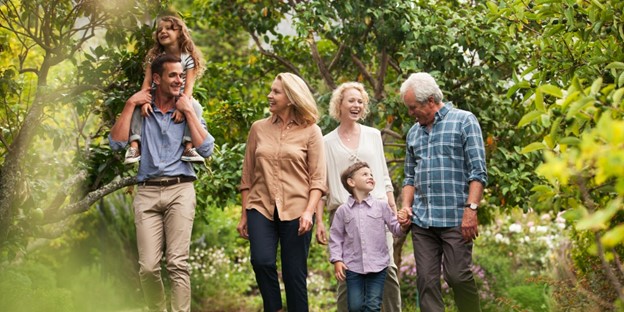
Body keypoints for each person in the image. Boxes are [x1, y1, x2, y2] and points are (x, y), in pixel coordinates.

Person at [109, 54, 215, 312]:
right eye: (173, 75)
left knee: (178, 263)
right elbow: (116, 143)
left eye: (181, 75)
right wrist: (129, 103)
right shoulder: (141, 110)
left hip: (181, 188)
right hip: (147, 192)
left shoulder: (191, 106)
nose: (180, 80)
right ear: (156, 78)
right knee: (147, 268)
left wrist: (189, 111)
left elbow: (208, 148)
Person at [237, 72, 327, 312]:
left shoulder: (311, 131)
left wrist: (309, 212)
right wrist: (244, 214)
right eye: (271, 90)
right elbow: (247, 176)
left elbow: (318, 179)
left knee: (294, 273)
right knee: (261, 260)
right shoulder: (258, 129)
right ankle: (274, 308)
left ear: (291, 96)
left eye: (276, 92)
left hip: (298, 209)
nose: (270, 95)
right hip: (260, 206)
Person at [399, 72, 487, 312]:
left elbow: (478, 172)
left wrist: (471, 210)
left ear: (430, 101)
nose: (410, 113)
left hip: (455, 219)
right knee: (426, 282)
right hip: (423, 222)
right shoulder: (414, 133)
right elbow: (409, 177)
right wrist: (406, 206)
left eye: (413, 107)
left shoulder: (464, 121)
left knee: (457, 276)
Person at [314, 82, 402, 312]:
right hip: (343, 215)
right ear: (339, 105)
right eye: (351, 100)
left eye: (360, 101)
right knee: (346, 273)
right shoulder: (326, 142)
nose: (356, 105)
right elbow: (321, 185)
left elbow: (383, 174)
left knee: (388, 268)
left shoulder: (373, 135)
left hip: (376, 212)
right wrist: (320, 221)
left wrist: (392, 207)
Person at [329, 161, 410, 312]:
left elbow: (396, 229)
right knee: (354, 307)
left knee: (373, 306)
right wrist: (337, 260)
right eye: (365, 174)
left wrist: (404, 225)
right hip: (353, 267)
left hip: (378, 266)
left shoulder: (382, 206)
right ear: (351, 182)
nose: (370, 177)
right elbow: (335, 237)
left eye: (371, 174)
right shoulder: (343, 211)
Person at [124, 15, 205, 164]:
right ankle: (134, 146)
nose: (163, 31)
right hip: (157, 95)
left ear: (180, 32)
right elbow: (147, 82)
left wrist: (182, 108)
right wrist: (145, 101)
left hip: (179, 96)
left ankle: (189, 147)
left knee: (196, 107)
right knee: (136, 105)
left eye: (168, 28)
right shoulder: (154, 57)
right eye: (160, 29)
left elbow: (188, 88)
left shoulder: (188, 58)